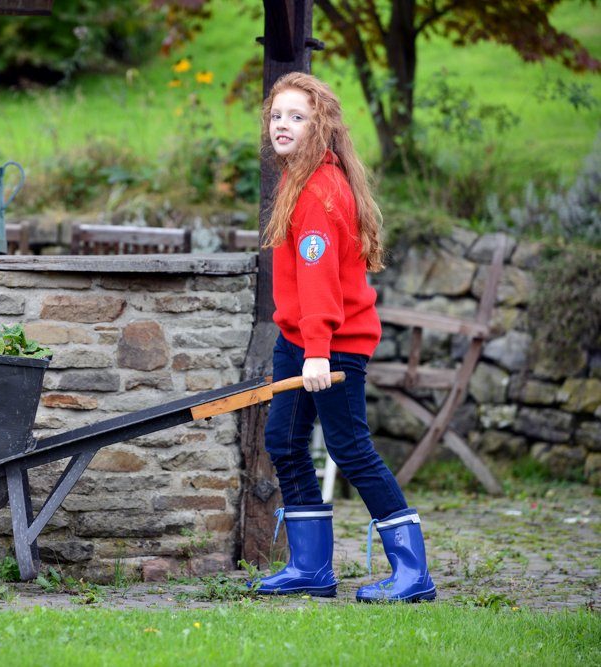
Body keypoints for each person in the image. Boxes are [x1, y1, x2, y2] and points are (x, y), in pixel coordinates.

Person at [251, 72, 436, 603]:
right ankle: (310, 568)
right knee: (284, 442)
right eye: (277, 115)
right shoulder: (298, 177)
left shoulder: (319, 192)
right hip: (300, 337)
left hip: (330, 342)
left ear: (321, 127)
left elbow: (319, 280)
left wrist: (315, 352)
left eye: (297, 116)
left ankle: (412, 572)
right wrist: (302, 344)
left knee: (350, 449)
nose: (282, 125)